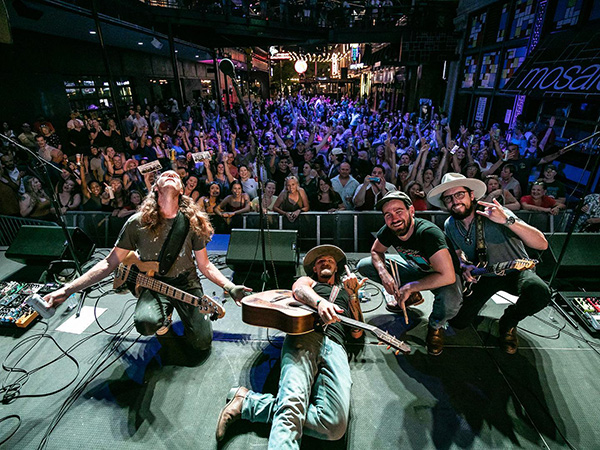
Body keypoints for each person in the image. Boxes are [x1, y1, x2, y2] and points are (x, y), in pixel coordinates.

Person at [44, 170, 250, 349]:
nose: (171, 174)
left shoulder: (191, 222)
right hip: (154, 284)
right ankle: (163, 324)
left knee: (202, 343)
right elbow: (109, 263)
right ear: (155, 189)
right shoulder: (137, 223)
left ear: (181, 191)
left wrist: (230, 287)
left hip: (186, 283)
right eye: (165, 175)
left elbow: (205, 265)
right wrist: (66, 289)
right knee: (145, 323)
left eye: (176, 176)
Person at [215, 244, 366, 446]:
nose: (324, 262)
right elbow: (299, 290)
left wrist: (354, 295)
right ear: (314, 269)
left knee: (334, 426)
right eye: (320, 261)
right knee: (292, 404)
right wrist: (320, 303)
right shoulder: (309, 282)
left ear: (337, 268)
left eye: (329, 260)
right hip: (305, 335)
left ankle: (248, 403)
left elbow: (357, 332)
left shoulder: (346, 293)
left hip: (337, 347)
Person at [427, 173, 550, 354]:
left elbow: (542, 244)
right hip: (484, 275)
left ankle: (509, 322)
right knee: (458, 322)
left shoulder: (495, 212)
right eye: (449, 198)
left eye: (459, 194)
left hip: (516, 271)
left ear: (471, 195)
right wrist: (463, 265)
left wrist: (508, 221)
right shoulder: (450, 224)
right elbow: (457, 253)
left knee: (539, 292)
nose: (455, 201)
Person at [356, 191, 462, 356]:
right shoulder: (389, 229)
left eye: (399, 211)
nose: (394, 218)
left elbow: (447, 275)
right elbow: (376, 251)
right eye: (388, 214)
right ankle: (413, 296)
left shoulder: (428, 233)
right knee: (365, 265)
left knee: (451, 302)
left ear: (411, 211)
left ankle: (436, 326)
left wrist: (411, 286)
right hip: (416, 269)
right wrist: (384, 273)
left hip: (441, 276)